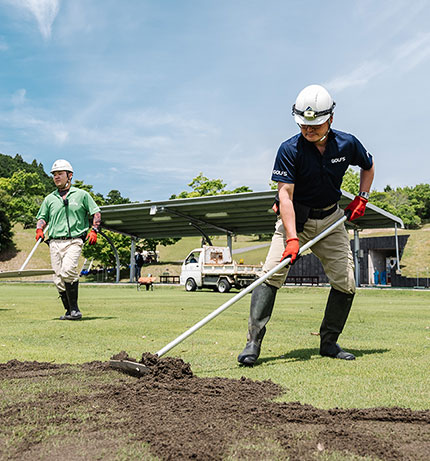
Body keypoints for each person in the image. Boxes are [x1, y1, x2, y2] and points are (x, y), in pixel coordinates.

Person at [238, 84, 375, 366]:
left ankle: (329, 343)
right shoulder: (290, 149)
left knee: (345, 282)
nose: (308, 131)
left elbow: (368, 165)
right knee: (269, 276)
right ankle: (253, 343)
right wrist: (291, 238)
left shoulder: (347, 144)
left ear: (330, 119)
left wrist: (362, 197)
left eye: (315, 126)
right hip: (296, 219)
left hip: (331, 220)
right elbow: (284, 196)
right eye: (303, 126)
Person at [35, 159, 101, 320]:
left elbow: (96, 213)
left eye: (60, 174)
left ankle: (75, 310)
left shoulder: (82, 195)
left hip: (74, 240)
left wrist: (94, 230)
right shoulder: (49, 199)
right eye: (54, 174)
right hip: (55, 242)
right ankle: (68, 310)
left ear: (69, 175)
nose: (56, 177)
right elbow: (42, 217)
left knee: (68, 270)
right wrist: (39, 228)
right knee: (58, 278)